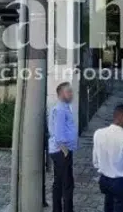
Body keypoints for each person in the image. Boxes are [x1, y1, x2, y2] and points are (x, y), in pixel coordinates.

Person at [93, 104, 123, 212]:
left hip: (104, 181)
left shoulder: (98, 134)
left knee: (108, 207)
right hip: (120, 184)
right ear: (121, 116)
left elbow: (96, 162)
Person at [48, 82, 77, 212]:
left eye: (71, 91)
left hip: (60, 150)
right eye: (68, 92)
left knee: (59, 183)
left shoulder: (64, 107)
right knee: (67, 184)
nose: (71, 94)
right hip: (61, 150)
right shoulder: (60, 110)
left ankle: (57, 209)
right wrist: (65, 152)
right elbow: (59, 134)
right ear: (60, 94)